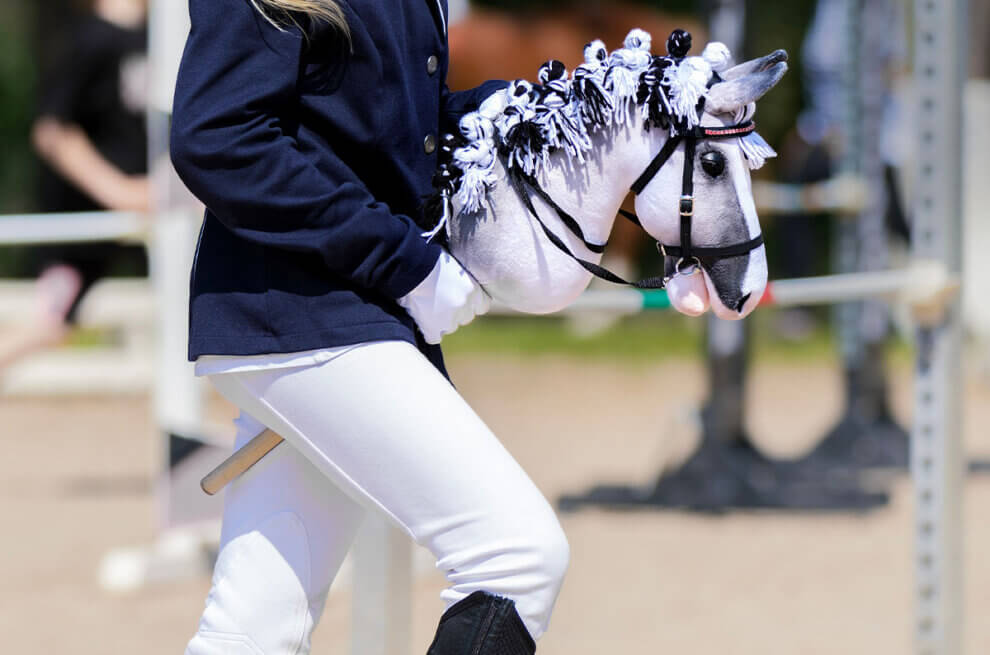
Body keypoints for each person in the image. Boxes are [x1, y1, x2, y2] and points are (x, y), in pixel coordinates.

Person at [169, 1, 569, 653]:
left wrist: (545, 108)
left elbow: (397, 128)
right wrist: (406, 264)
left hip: (345, 314)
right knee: (517, 555)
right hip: (300, 312)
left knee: (251, 631)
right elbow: (217, 135)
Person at [0, 0, 149, 371]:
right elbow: (52, 131)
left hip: (141, 213)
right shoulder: (91, 40)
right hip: (85, 221)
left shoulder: (161, 38)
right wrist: (119, 191)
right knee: (50, 324)